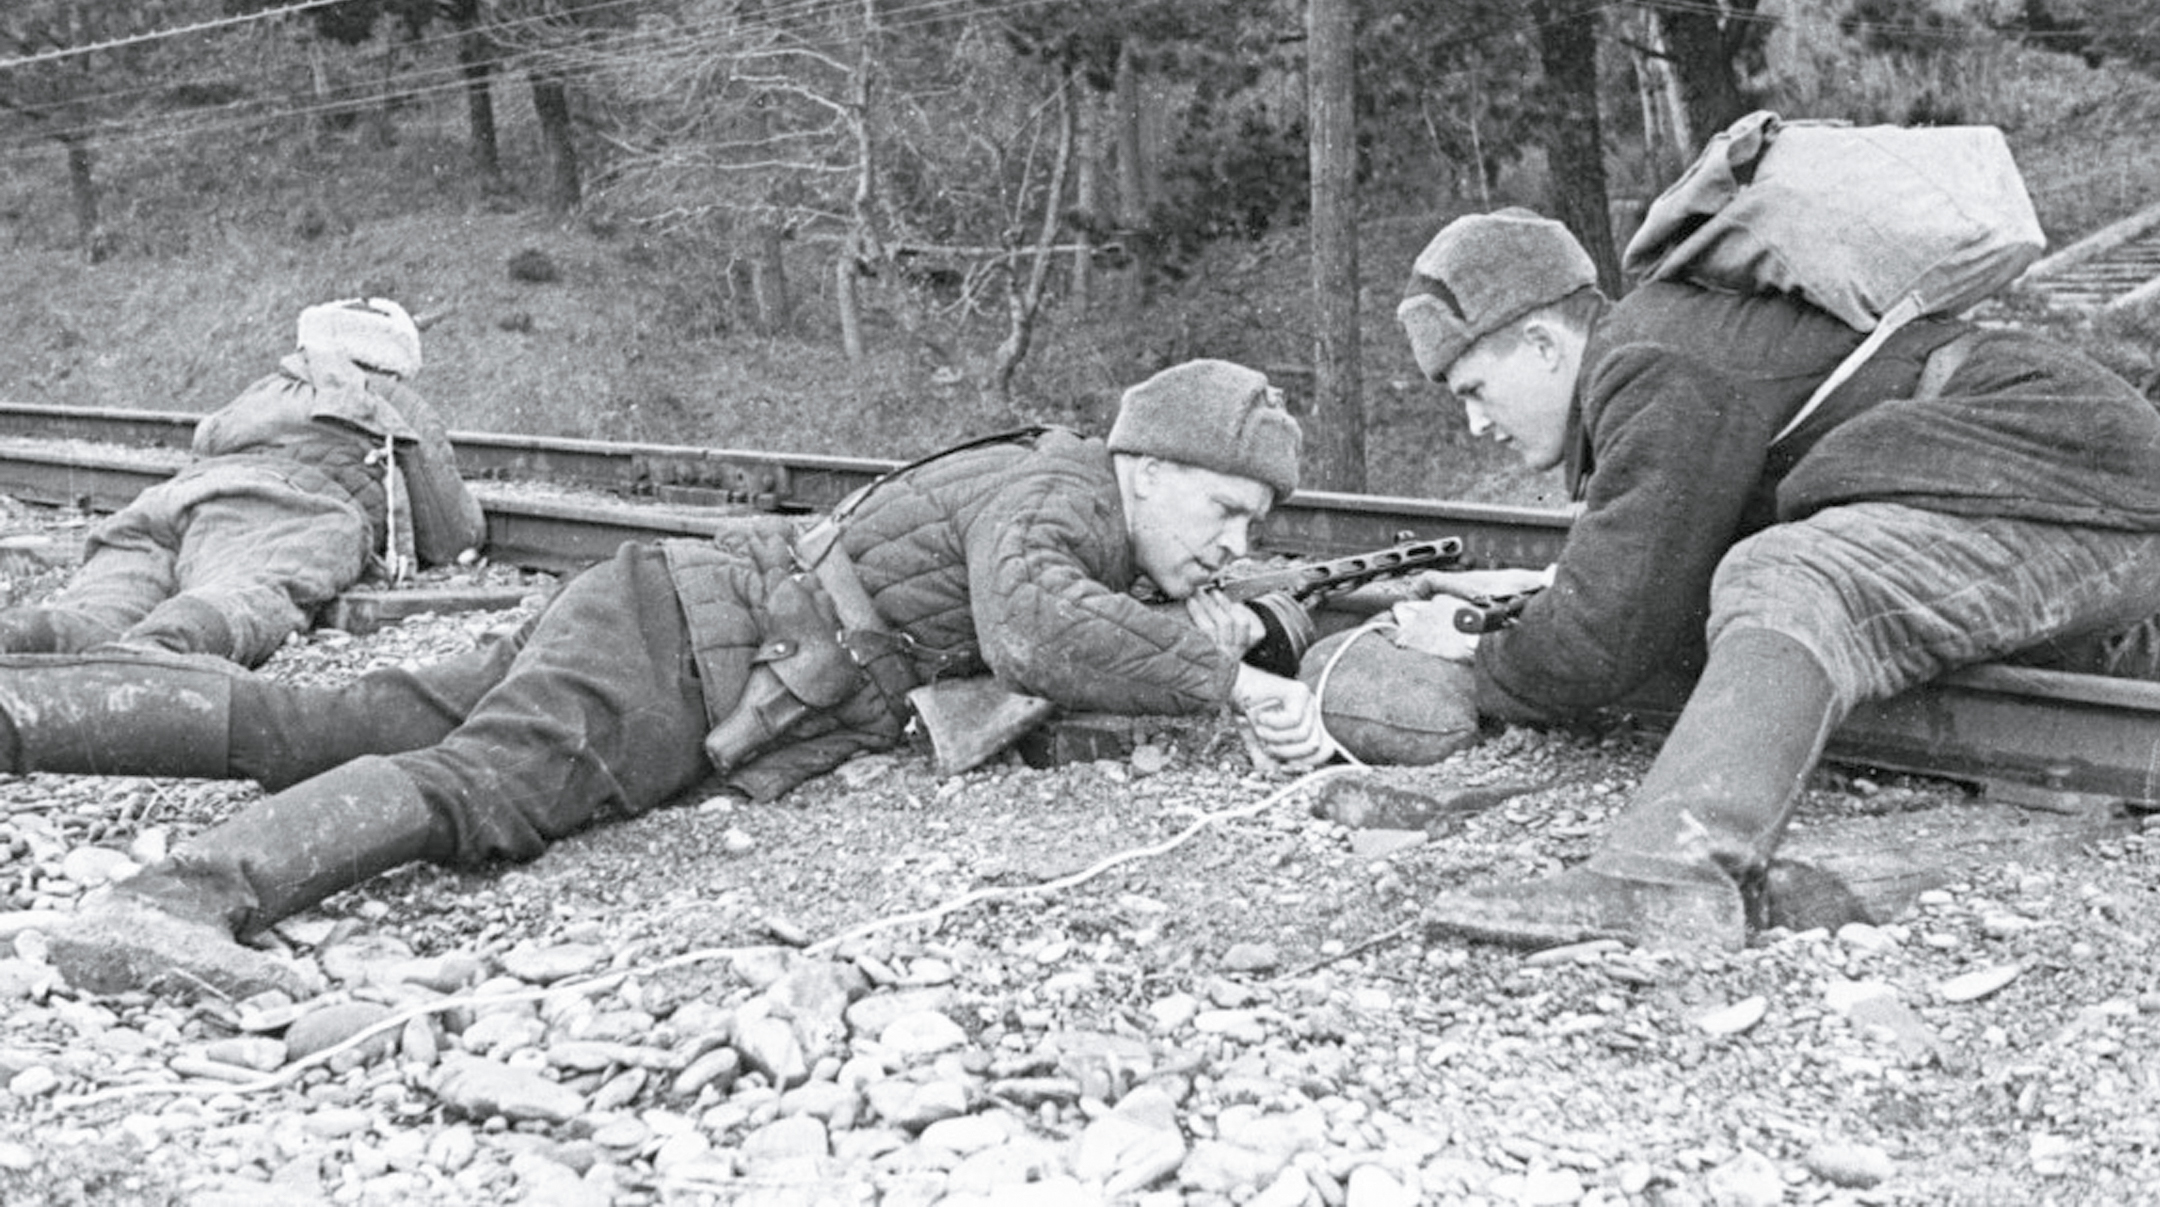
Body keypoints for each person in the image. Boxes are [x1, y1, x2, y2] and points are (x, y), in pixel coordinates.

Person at [11, 359, 1332, 999]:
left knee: (339, 716)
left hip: (672, 614)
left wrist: (1255, 614)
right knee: (483, 789)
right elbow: (1045, 632)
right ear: (1143, 464)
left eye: (1255, 526)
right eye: (1224, 507)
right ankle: (175, 899)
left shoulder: (1068, 498)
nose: (1233, 542)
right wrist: (1225, 663)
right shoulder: (1061, 494)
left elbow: (1097, 611)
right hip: (693, 654)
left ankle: (24, 721)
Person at [1390, 207, 2160, 954]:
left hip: (2055, 476)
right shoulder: (1668, 342)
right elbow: (1647, 579)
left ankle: (1672, 876)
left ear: (1539, 342)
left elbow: (1609, 636)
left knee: (1788, 576)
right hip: (2079, 485)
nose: (1475, 423)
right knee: (1821, 604)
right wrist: (1539, 594)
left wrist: (1475, 654)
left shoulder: (1649, 363)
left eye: (1473, 388)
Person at [0, 298, 484, 667]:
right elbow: (449, 534)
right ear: (396, 358)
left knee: (108, 595)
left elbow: (207, 441)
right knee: (243, 590)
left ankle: (36, 635)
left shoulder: (266, 387)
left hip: (178, 498)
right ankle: (158, 659)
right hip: (292, 508)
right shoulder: (398, 400)